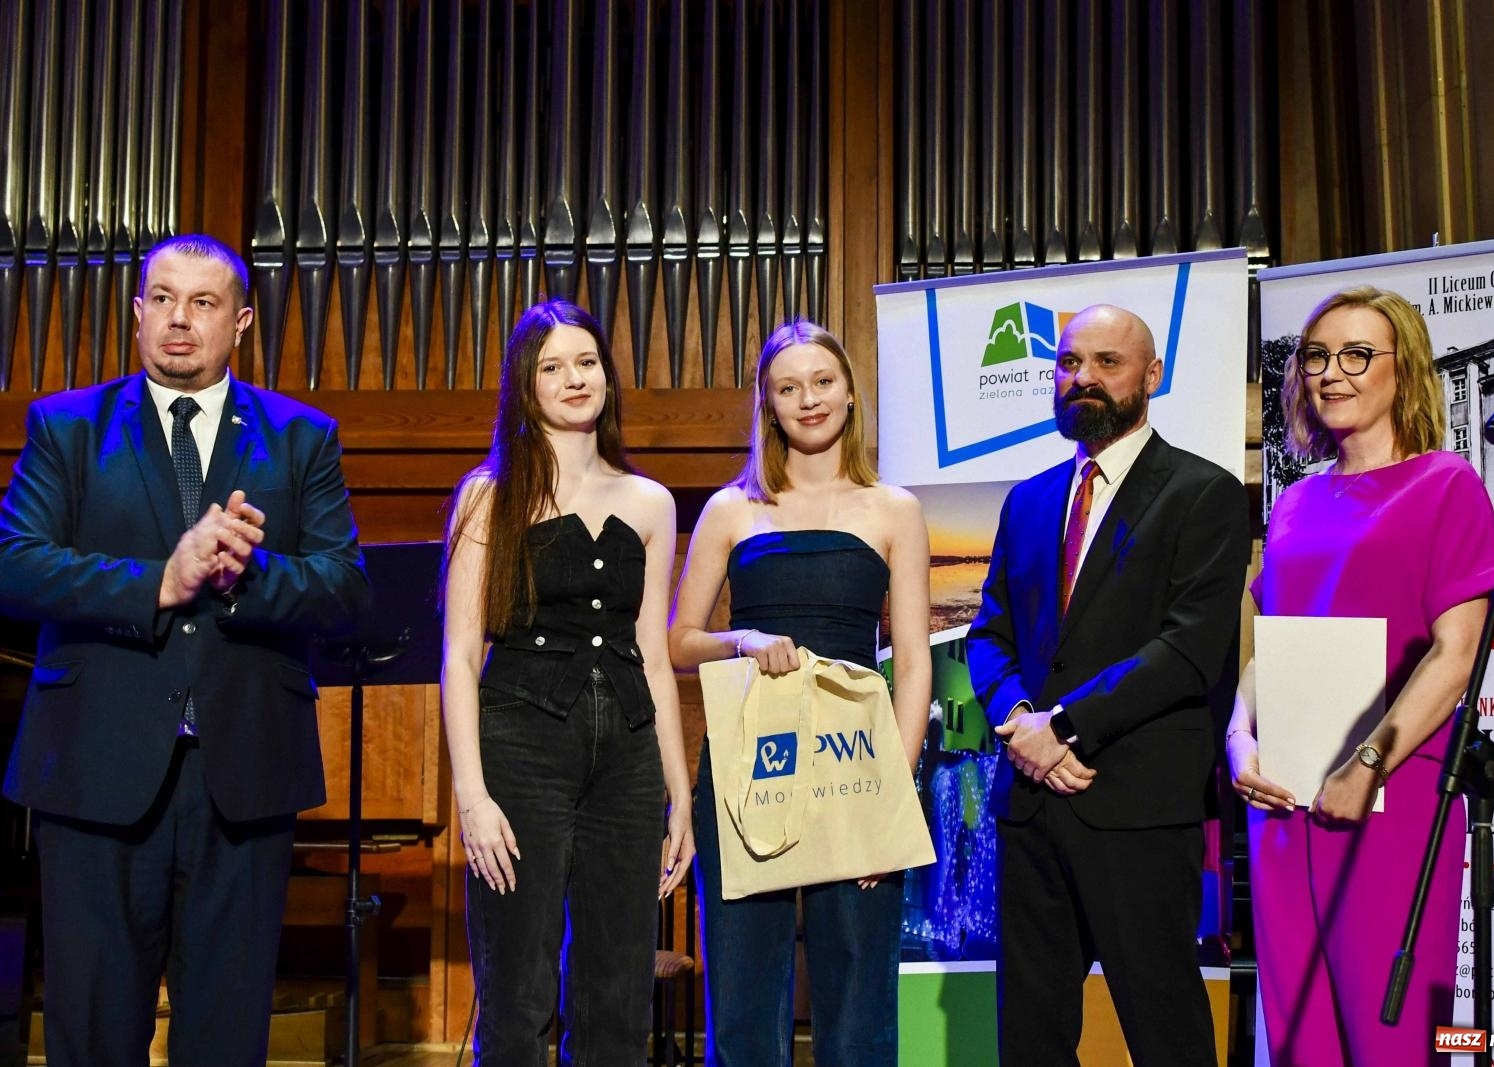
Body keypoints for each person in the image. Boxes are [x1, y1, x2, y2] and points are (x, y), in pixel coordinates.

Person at [0, 233, 368, 1066]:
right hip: (95, 772)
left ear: (239, 322)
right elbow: (13, 565)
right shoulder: (66, 427)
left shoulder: (303, 437)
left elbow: (345, 586)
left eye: (202, 304)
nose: (178, 320)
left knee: (226, 1035)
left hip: (242, 776)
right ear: (137, 314)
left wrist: (243, 574)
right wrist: (160, 581)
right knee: (92, 1031)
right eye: (162, 299)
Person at [967, 304, 1250, 1067]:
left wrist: (1061, 728)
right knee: (1030, 1039)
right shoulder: (1028, 499)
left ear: (1152, 375)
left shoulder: (1205, 492)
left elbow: (1188, 649)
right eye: (1067, 363)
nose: (1082, 378)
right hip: (1030, 810)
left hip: (1137, 810)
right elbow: (989, 635)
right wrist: (1022, 717)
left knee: (1167, 1035)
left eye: (1106, 363)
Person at [1227, 286, 1494, 1065]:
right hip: (1282, 800)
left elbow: (1456, 654)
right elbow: (1268, 645)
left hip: (1392, 796)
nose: (1331, 373)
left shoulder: (1446, 484)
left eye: (1356, 355)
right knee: (1299, 1037)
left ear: (1402, 370)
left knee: (1394, 1033)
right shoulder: (1295, 504)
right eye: (1317, 356)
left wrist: (1367, 760)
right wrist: (1238, 735)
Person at [668, 319, 931, 1067]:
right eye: (789, 388)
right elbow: (677, 640)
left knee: (857, 1001)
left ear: (850, 393)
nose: (808, 399)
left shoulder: (894, 510)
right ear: (768, 405)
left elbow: (911, 663)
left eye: (822, 382)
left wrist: (893, 795)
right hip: (750, 764)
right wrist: (740, 641)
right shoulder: (730, 509)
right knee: (746, 1002)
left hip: (854, 767)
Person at [439, 299, 694, 1065]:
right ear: (526, 386)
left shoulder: (650, 500)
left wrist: (678, 793)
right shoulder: (489, 492)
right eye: (552, 366)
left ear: (608, 379)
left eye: (586, 362)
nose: (573, 377)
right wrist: (473, 796)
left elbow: (652, 654)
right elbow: (458, 654)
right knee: (517, 991)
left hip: (627, 756)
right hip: (520, 745)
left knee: (617, 992)